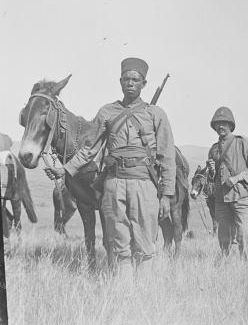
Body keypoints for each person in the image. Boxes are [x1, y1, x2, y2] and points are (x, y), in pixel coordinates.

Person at [47, 57, 176, 276]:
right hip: (114, 185)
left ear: (144, 84)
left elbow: (167, 156)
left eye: (135, 79)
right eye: (126, 79)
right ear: (120, 81)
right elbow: (89, 149)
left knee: (145, 245)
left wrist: (167, 195)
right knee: (119, 244)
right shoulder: (107, 112)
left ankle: (144, 297)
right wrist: (65, 169)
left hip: (145, 184)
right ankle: (122, 297)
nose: (130, 83)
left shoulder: (156, 114)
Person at [205, 106, 248, 260]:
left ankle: (247, 268)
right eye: (217, 124)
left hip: (241, 197)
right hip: (221, 200)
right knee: (223, 237)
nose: (220, 126)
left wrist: (236, 178)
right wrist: (211, 171)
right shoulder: (214, 149)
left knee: (244, 234)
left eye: (224, 123)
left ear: (231, 125)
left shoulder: (243, 143)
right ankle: (226, 267)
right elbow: (213, 179)